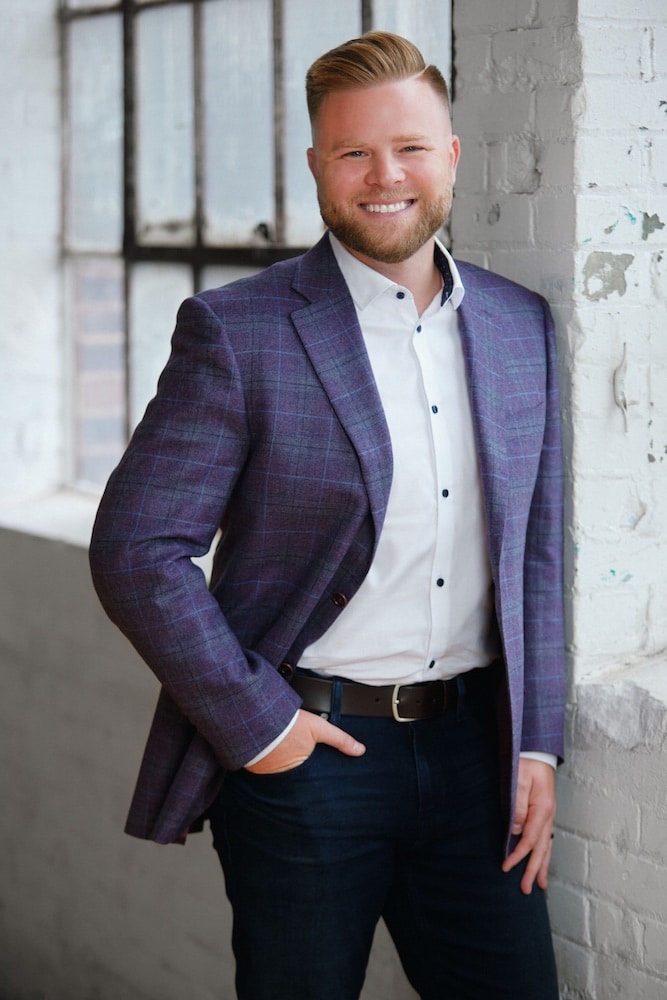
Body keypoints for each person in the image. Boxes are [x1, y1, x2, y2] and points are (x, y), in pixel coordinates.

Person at [89, 30, 565, 1000]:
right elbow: (138, 547)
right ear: (316, 165)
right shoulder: (238, 331)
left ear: (452, 156)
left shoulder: (521, 326)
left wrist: (536, 743)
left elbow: (536, 559)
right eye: (353, 152)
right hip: (312, 757)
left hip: (480, 762)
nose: (383, 175)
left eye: (409, 147)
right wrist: (263, 728)